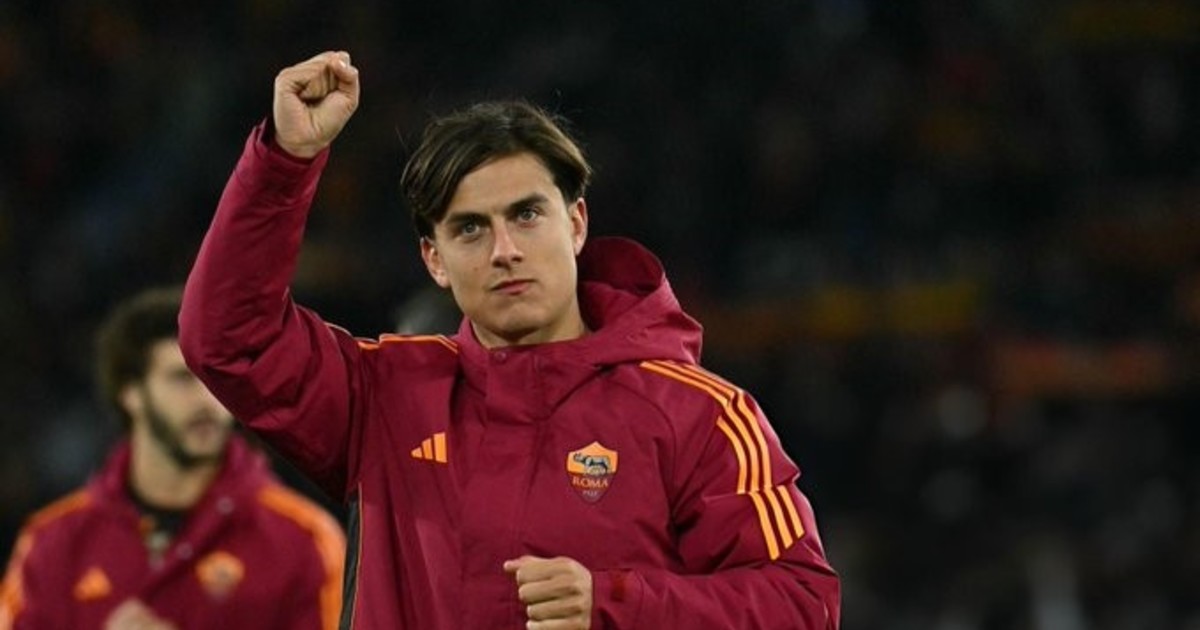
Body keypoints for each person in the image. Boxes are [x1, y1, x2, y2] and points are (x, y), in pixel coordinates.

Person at [178, 50, 840, 629]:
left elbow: (803, 605)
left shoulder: (700, 415)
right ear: (434, 260)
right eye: (469, 228)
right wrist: (284, 161)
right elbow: (229, 340)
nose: (504, 251)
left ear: (575, 223)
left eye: (526, 215)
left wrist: (616, 604)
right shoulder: (382, 396)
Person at [0, 288, 346, 630]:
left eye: (219, 378)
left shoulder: (303, 540)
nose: (208, 401)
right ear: (130, 393)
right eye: (182, 379)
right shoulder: (53, 543)